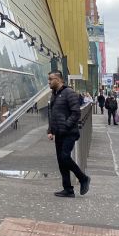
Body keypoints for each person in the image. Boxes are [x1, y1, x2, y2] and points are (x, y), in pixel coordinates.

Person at [46, 70, 91, 198]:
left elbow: (76, 113)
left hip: (69, 132)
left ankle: (83, 178)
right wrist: (50, 130)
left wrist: (66, 125)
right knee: (61, 161)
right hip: (59, 133)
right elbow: (53, 115)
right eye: (49, 79)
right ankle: (68, 189)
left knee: (65, 157)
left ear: (59, 79)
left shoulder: (69, 93)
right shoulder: (54, 94)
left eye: (51, 79)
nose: (49, 82)